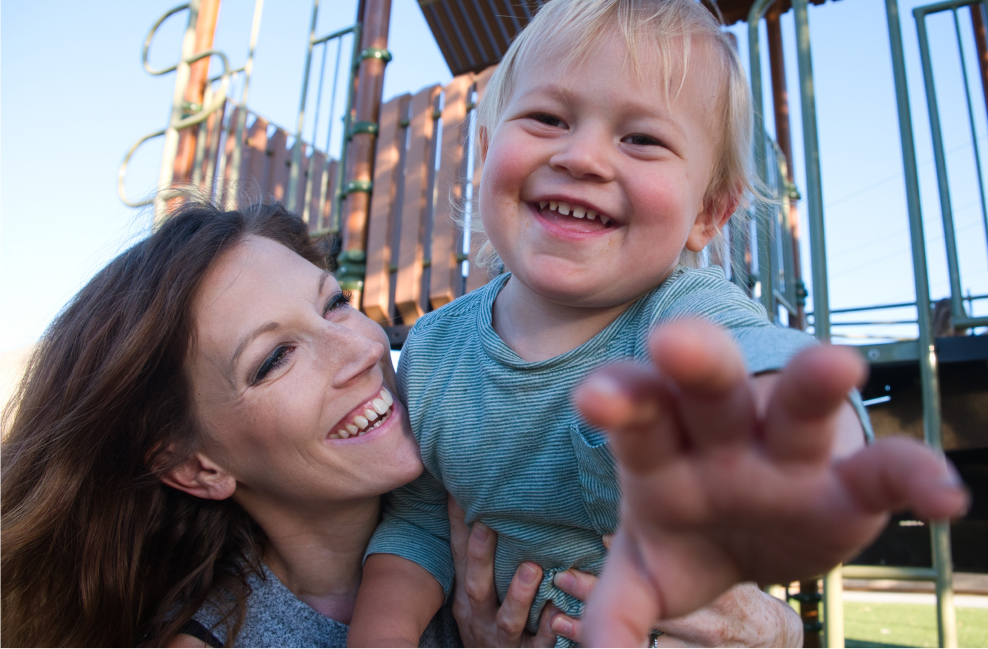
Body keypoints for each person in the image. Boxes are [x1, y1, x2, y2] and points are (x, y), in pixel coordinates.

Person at [349, 0, 968, 648]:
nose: (581, 156)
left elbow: (759, 360)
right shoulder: (436, 349)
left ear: (705, 213)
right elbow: (416, 526)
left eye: (640, 138)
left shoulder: (678, 317)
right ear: (486, 149)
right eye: (548, 119)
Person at [0, 202, 804, 648]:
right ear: (195, 465)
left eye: (334, 304)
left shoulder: (514, 480)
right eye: (275, 358)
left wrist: (772, 634)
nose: (357, 349)